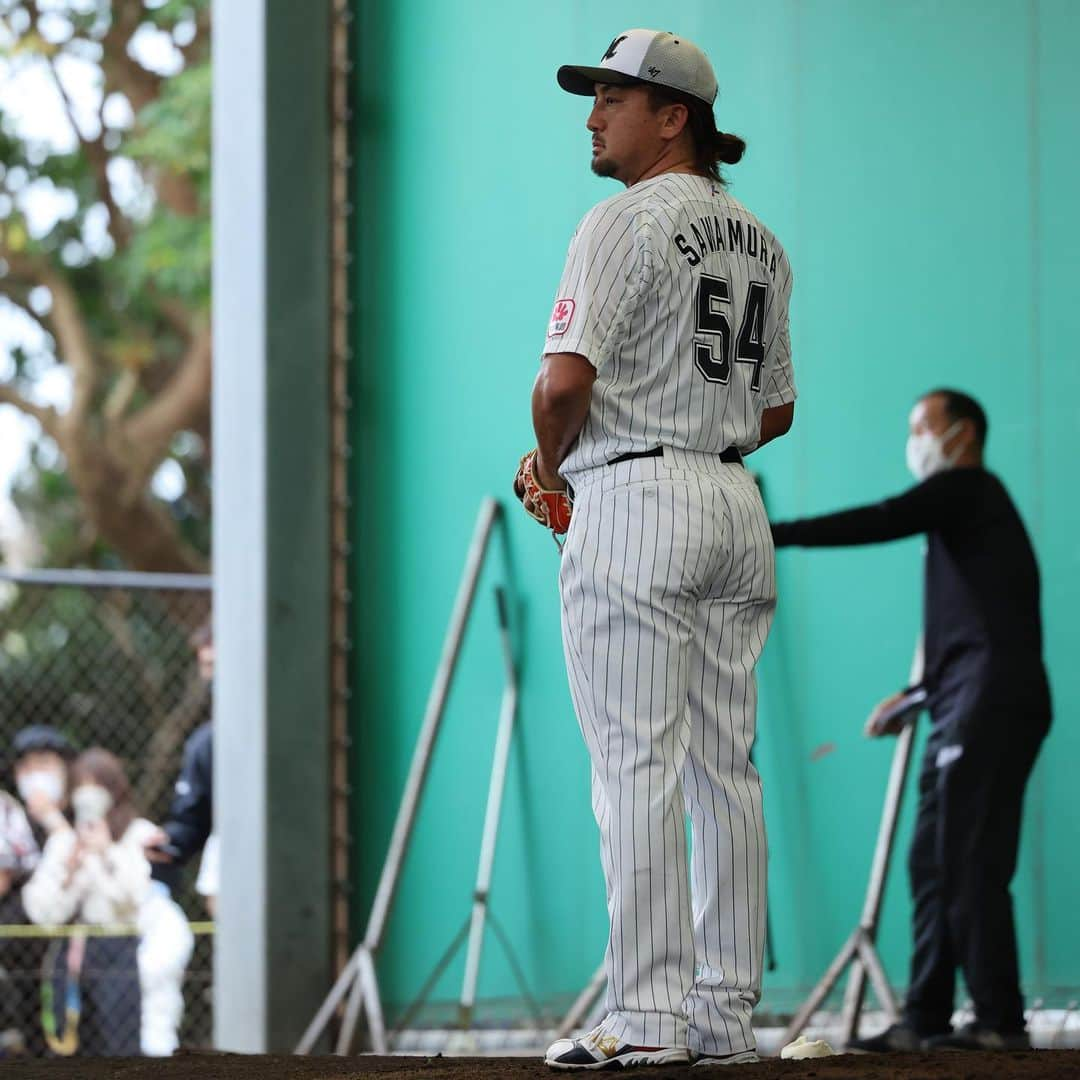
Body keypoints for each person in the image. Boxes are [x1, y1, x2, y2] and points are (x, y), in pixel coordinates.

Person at [519, 29, 796, 1069]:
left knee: (635, 764)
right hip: (732, 499)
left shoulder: (621, 218)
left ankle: (646, 1019)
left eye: (613, 98)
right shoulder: (762, 240)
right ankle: (724, 1015)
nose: (593, 115)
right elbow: (776, 412)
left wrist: (554, 464)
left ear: (673, 114)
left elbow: (560, 385)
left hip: (636, 496)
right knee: (728, 769)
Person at [770, 389, 1050, 1052]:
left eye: (921, 427)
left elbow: (881, 517)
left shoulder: (970, 490)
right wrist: (914, 695)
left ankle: (999, 1020)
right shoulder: (962, 523)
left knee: (968, 860)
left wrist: (770, 534)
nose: (914, 441)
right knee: (932, 860)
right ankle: (925, 1015)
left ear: (962, 434)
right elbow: (974, 626)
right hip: (961, 700)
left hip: (990, 704)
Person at [21, 749, 153, 1056]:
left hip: (118, 950)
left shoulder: (135, 835)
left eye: (97, 786)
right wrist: (69, 872)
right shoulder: (64, 841)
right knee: (68, 1051)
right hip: (69, 955)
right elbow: (43, 913)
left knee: (121, 1050)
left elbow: (134, 899)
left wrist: (106, 853)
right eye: (81, 786)